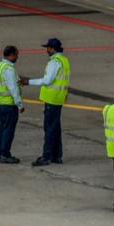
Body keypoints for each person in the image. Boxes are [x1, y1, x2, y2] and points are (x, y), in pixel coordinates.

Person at [24, 38, 69, 166]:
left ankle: (46, 156)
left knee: (49, 128)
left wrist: (29, 82)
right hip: (59, 98)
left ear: (53, 49)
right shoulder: (64, 61)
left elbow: (47, 80)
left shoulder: (54, 62)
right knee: (55, 128)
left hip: (52, 99)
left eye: (48, 48)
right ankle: (57, 155)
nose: (46, 50)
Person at [0, 45, 25, 164]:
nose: (17, 57)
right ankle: (5, 154)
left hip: (0, 102)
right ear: (11, 55)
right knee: (8, 130)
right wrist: (20, 105)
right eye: (16, 55)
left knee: (3, 129)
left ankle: (1, 152)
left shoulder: (0, 66)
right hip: (9, 104)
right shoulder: (9, 70)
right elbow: (13, 89)